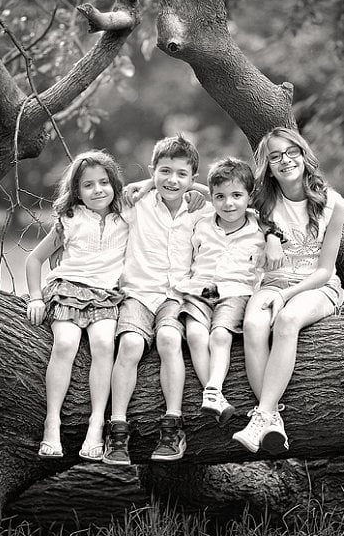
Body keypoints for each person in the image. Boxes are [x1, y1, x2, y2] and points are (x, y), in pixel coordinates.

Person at [233, 127, 344, 454]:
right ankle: (272, 421)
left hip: (317, 287)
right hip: (273, 284)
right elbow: (213, 191)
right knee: (253, 325)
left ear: (303, 154)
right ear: (268, 166)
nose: (285, 160)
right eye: (275, 156)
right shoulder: (260, 201)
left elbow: (325, 270)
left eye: (291, 152)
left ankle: (263, 414)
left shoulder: (332, 203)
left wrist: (286, 295)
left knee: (286, 321)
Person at [102, 135, 212, 465]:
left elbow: (240, 202)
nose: (172, 180)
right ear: (153, 172)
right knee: (132, 344)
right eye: (164, 172)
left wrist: (202, 190)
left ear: (193, 178)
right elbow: (108, 196)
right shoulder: (137, 203)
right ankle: (117, 427)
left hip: (176, 294)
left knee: (167, 339)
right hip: (138, 293)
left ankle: (172, 424)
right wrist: (147, 184)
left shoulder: (200, 210)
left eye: (182, 174)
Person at [24, 150, 129, 461]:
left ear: (115, 185)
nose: (97, 190)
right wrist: (35, 297)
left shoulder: (126, 218)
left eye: (104, 182)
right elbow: (34, 260)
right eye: (88, 185)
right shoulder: (69, 221)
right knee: (66, 343)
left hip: (106, 293)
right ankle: (51, 423)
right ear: (77, 191)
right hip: (68, 290)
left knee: (103, 343)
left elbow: (157, 184)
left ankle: (96, 425)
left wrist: (195, 191)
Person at [175, 158, 268, 425]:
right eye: (220, 197)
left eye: (237, 196)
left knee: (219, 335)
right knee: (194, 334)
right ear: (212, 198)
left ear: (249, 197)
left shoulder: (259, 225)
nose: (229, 204)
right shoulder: (202, 222)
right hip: (199, 291)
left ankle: (213, 387)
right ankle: (214, 396)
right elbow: (189, 189)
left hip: (236, 292)